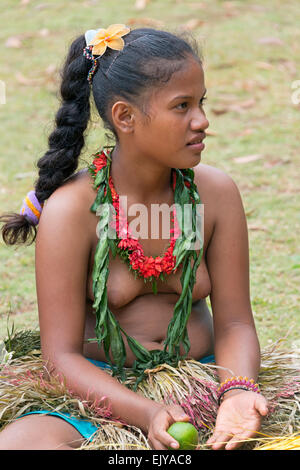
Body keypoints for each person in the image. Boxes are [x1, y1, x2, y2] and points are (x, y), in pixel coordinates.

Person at [0, 24, 268, 450]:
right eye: (182, 106)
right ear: (124, 116)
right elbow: (62, 357)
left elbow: (235, 322)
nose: (202, 121)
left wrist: (237, 390)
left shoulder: (215, 194)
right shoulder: (71, 210)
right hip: (100, 394)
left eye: (201, 103)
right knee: (19, 445)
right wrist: (146, 413)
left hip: (206, 378)